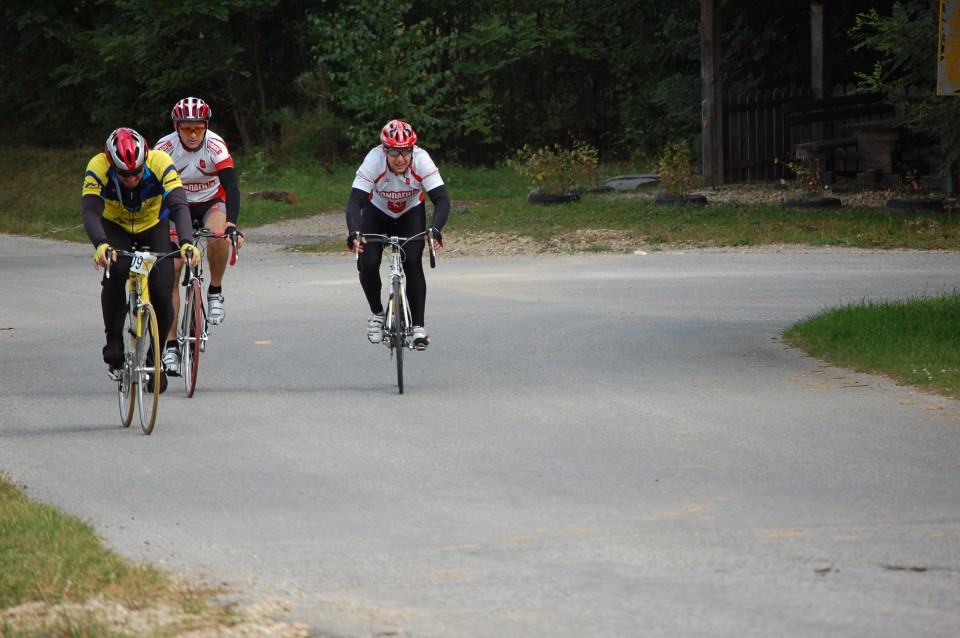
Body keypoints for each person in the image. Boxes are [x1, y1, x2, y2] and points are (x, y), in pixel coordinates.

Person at [83, 127, 198, 392]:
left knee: (162, 290)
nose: (132, 179)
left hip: (152, 225)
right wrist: (101, 244)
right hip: (115, 227)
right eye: (125, 174)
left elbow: (179, 205)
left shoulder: (160, 162)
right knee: (118, 267)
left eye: (137, 172)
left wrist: (186, 242)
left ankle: (153, 358)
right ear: (112, 164)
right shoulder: (98, 166)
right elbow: (90, 211)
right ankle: (113, 342)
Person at [153, 97, 243, 375]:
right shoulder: (163, 148)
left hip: (209, 202)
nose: (193, 135)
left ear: (206, 126)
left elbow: (231, 185)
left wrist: (232, 224)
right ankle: (170, 347)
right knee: (173, 268)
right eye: (187, 128)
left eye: (198, 128)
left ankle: (214, 291)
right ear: (176, 127)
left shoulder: (215, 145)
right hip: (175, 205)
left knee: (218, 236)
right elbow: (154, 191)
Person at [346, 119, 450, 350]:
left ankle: (418, 328)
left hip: (411, 212)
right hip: (377, 211)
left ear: (413, 150)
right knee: (368, 260)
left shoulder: (421, 160)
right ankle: (377, 314)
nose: (400, 158)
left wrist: (436, 230)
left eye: (405, 152)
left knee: (412, 262)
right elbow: (355, 201)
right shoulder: (373, 161)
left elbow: (442, 200)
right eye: (394, 152)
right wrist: (354, 231)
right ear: (385, 150)